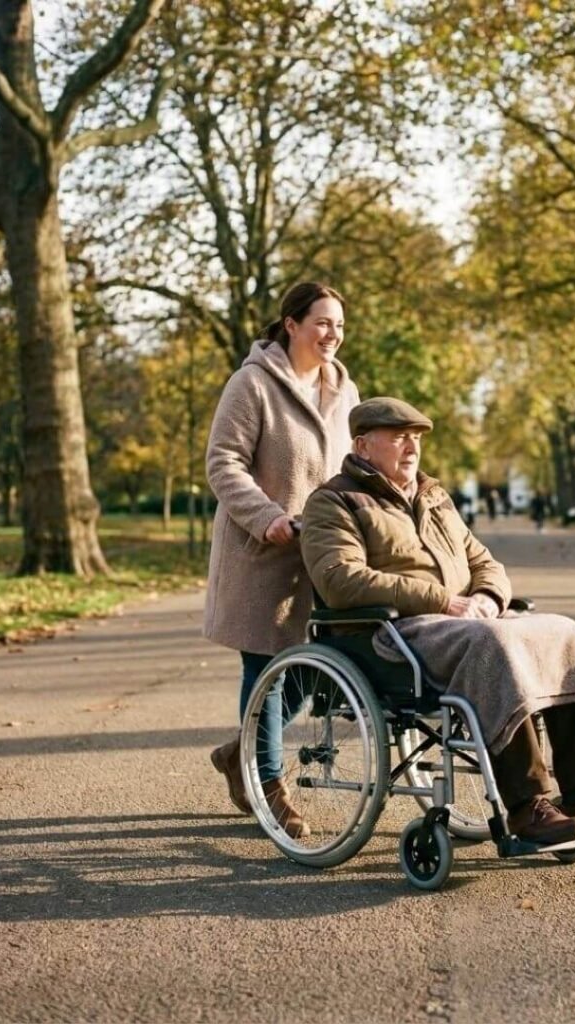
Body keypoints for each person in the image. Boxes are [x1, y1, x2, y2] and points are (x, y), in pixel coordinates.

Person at [300, 397, 575, 845]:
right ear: (363, 445)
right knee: (493, 643)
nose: (411, 447)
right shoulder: (333, 501)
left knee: (561, 632)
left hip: (463, 620)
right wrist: (443, 600)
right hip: (392, 633)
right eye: (398, 438)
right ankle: (528, 807)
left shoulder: (435, 497)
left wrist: (487, 596)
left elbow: (484, 562)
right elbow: (340, 581)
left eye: (416, 438)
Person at [203, 282, 360, 837]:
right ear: (291, 325)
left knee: (330, 667)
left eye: (339, 324)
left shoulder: (345, 390)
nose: (333, 334)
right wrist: (267, 515)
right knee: (266, 667)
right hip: (262, 552)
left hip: (324, 553)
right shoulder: (252, 384)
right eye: (322, 322)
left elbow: (357, 466)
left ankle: (241, 750)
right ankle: (268, 784)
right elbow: (223, 463)